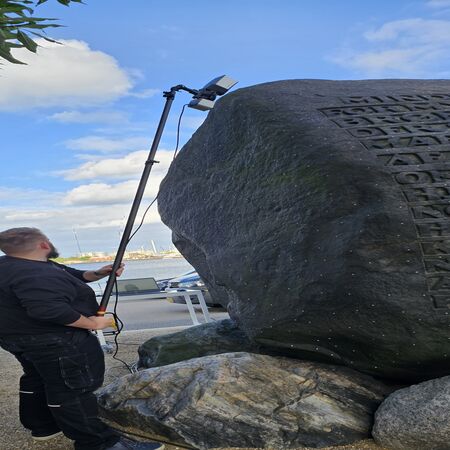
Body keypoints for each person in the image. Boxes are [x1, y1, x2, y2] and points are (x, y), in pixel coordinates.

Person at [0, 227, 164, 450]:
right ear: (44, 244)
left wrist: (99, 273)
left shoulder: (16, 265)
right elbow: (49, 310)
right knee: (73, 388)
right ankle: (100, 443)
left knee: (37, 378)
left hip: (17, 339)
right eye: (48, 238)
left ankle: (43, 426)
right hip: (56, 341)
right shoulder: (35, 273)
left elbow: (73, 275)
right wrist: (93, 323)